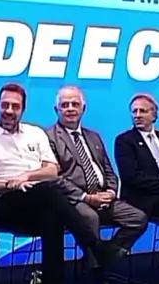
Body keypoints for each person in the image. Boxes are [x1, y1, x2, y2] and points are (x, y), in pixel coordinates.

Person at [0, 82, 115, 284]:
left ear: (23, 109)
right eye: (5, 105)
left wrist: (27, 177)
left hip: (39, 197)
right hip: (3, 201)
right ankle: (94, 245)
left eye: (15, 106)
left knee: (52, 216)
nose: (9, 110)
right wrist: (12, 184)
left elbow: (52, 170)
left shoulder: (35, 133)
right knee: (50, 191)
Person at [48, 86, 148, 266]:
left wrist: (111, 192)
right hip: (74, 200)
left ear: (83, 108)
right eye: (65, 105)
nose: (70, 109)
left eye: (75, 104)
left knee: (138, 218)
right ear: (56, 109)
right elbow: (55, 179)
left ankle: (104, 256)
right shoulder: (48, 138)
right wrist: (86, 198)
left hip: (103, 196)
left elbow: (108, 170)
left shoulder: (94, 136)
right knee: (90, 218)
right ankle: (96, 272)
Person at [115, 93, 159, 219]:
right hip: (146, 195)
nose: (137, 115)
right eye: (134, 111)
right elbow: (131, 176)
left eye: (142, 111)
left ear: (154, 115)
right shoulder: (125, 141)